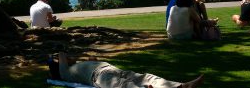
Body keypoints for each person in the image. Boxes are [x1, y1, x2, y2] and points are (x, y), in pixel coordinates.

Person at [49, 52, 204, 88]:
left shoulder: (77, 67)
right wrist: (56, 58)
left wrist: (78, 60)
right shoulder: (65, 74)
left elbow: (93, 58)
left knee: (145, 77)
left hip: (111, 69)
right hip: (99, 77)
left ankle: (181, 86)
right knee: (124, 85)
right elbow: (62, 54)